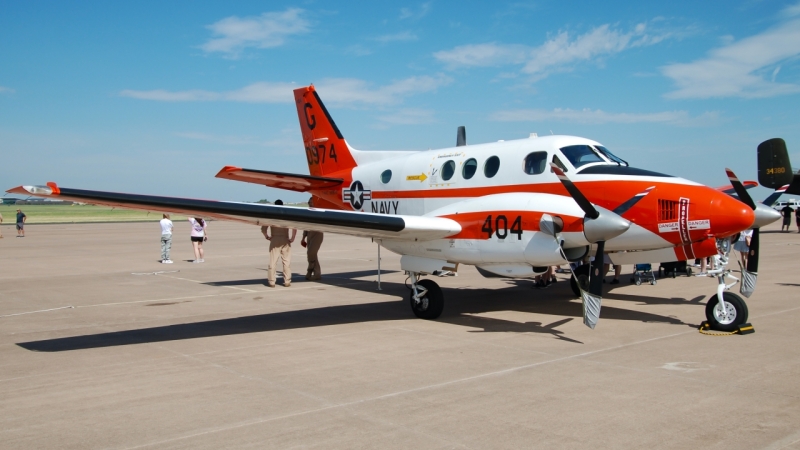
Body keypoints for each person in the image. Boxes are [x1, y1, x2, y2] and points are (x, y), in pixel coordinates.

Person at [262, 199, 296, 287]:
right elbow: (294, 227)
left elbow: (263, 228)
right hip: (285, 238)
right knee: (286, 262)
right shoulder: (287, 215)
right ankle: (287, 281)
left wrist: (267, 236)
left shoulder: (271, 216)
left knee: (273, 261)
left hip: (275, 238)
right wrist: (292, 238)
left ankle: (272, 281)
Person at [301, 197, 324, 280]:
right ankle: (316, 273)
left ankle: (310, 270)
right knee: (312, 254)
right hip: (310, 235)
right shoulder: (308, 212)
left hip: (317, 234)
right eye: (310, 202)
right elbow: (305, 227)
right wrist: (303, 238)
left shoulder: (319, 212)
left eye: (312, 202)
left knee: (311, 253)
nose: (310, 204)